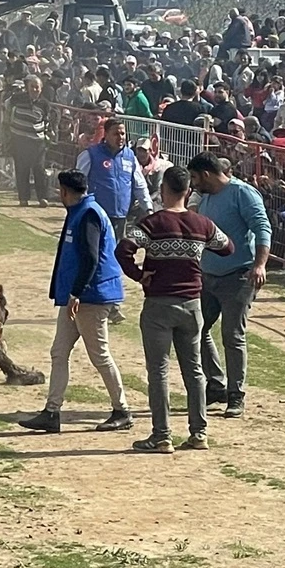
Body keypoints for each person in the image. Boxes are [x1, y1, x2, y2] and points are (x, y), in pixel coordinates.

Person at [117, 165, 233, 452]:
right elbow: (227, 247)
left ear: (163, 190)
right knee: (194, 370)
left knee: (158, 371)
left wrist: (138, 274)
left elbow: (123, 249)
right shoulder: (201, 224)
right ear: (189, 191)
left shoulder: (152, 223)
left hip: (159, 303)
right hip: (192, 304)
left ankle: (161, 435)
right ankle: (199, 432)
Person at [18, 170, 131, 434]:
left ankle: (122, 410)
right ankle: (51, 412)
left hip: (89, 298)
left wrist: (76, 293)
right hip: (78, 298)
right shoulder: (81, 211)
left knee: (100, 356)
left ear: (65, 191)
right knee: (59, 351)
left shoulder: (88, 214)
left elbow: (91, 258)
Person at [187, 151, 272, 419]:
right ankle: (216, 383)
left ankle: (236, 395)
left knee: (232, 335)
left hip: (239, 275)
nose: (192, 183)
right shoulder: (207, 197)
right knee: (195, 328)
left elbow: (262, 228)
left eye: (194, 177)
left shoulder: (242, 193)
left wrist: (259, 265)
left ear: (207, 174)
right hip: (208, 275)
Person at [75, 119, 151, 240]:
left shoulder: (130, 156)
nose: (120, 137)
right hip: (95, 215)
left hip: (121, 216)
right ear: (105, 134)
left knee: (115, 252)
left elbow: (139, 185)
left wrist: (148, 208)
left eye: (123, 134)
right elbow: (78, 184)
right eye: (116, 134)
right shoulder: (91, 154)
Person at [7, 75, 52, 207]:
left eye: (37, 87)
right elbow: (6, 108)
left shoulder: (45, 104)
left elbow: (47, 121)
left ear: (41, 88)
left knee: (39, 169)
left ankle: (42, 197)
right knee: (21, 169)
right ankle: (23, 198)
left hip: (37, 142)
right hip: (19, 140)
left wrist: (47, 137)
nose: (34, 89)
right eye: (32, 87)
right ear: (27, 87)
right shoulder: (17, 98)